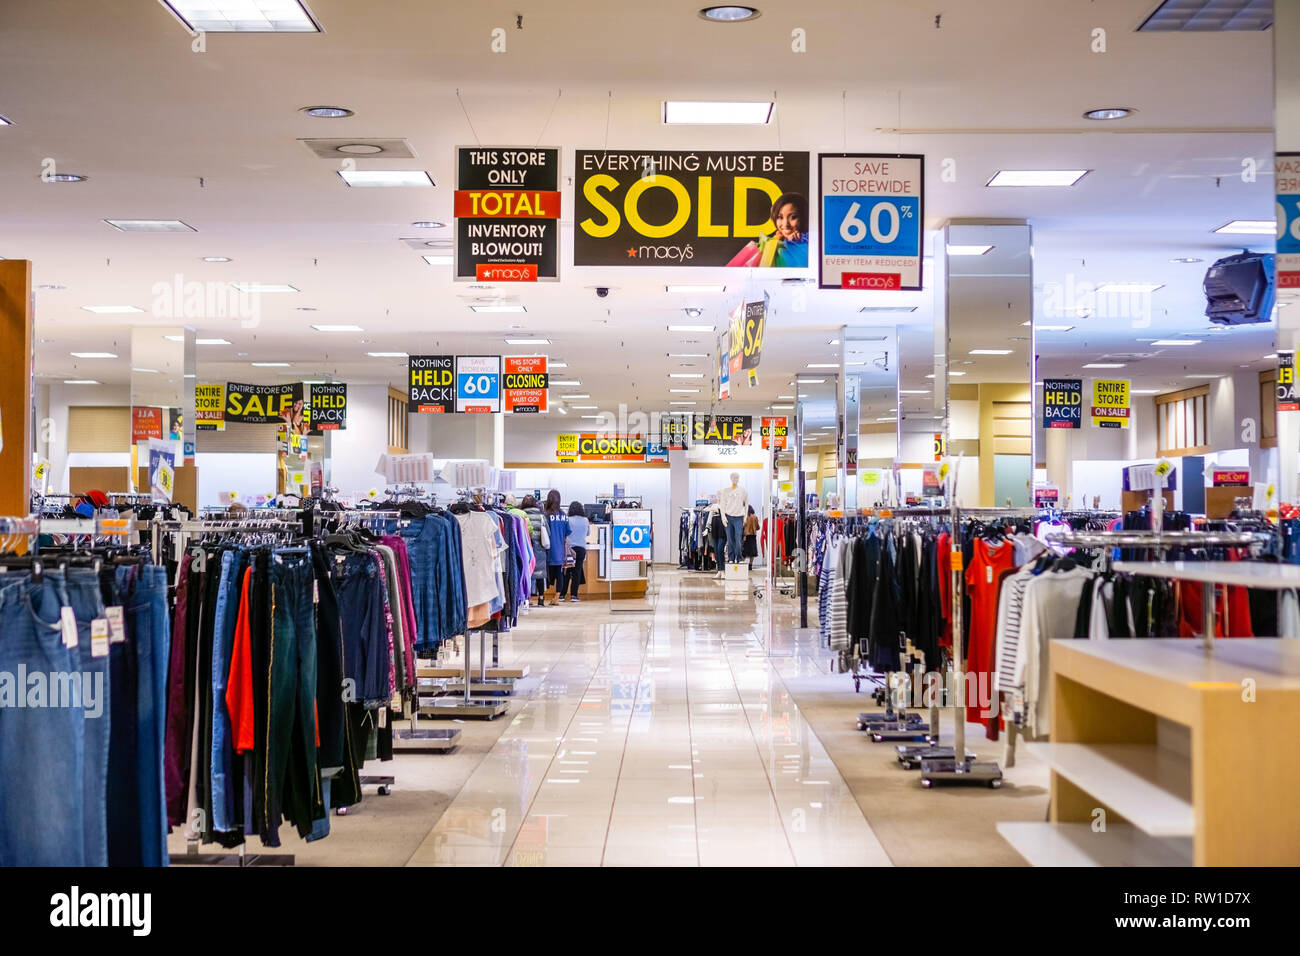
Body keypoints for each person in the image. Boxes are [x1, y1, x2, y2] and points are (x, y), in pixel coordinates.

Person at [521, 495, 550, 607]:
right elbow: (547, 532)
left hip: (526, 548)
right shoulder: (541, 516)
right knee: (540, 575)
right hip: (539, 549)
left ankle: (528, 598)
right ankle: (541, 599)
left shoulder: (521, 515)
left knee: (527, 573)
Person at [560, 501, 590, 602]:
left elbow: (564, 533)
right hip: (581, 549)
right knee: (577, 572)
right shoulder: (586, 520)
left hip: (569, 548)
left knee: (567, 571)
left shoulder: (567, 520)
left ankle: (562, 595)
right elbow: (588, 533)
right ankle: (574, 595)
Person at [717, 472, 748, 565]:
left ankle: (738, 557)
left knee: (738, 538)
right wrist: (723, 517)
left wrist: (745, 517)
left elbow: (746, 504)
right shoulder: (725, 491)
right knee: (730, 539)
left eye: (737, 477)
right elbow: (722, 505)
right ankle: (731, 557)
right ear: (730, 478)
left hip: (739, 517)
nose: (736, 479)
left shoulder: (743, 491)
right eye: (734, 477)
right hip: (728, 517)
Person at [544, 490, 570, 597]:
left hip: (548, 549)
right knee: (560, 574)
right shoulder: (563, 515)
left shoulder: (546, 514)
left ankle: (541, 596)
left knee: (546, 573)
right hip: (560, 549)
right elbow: (567, 532)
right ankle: (557, 597)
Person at [743, 505, 759, 570]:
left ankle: (741, 564)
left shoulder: (745, 517)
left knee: (744, 550)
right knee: (752, 551)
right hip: (753, 535)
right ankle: (750, 565)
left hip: (746, 535)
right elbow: (758, 527)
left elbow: (743, 526)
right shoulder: (755, 517)